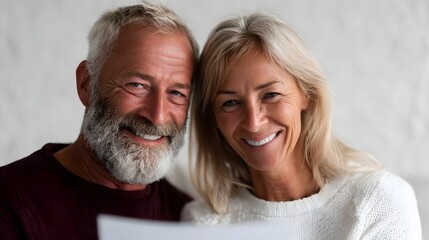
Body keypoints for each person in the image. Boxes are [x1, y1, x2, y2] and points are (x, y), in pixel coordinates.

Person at [181, 13, 421, 239]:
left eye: (271, 94)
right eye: (231, 103)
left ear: (308, 94)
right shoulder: (202, 224)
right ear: (212, 116)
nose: (253, 123)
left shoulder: (379, 201)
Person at [0, 2, 198, 239]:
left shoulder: (188, 218)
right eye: (137, 85)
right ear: (87, 84)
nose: (158, 116)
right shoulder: (9, 202)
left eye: (176, 93)